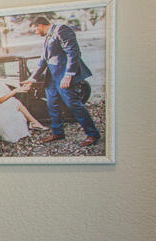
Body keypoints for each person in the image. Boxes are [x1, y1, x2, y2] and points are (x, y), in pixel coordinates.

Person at [27, 14, 101, 147]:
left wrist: (68, 75)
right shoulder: (48, 37)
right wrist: (32, 79)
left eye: (35, 29)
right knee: (52, 104)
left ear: (40, 25)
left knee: (73, 105)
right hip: (51, 77)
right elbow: (44, 60)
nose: (35, 32)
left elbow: (73, 52)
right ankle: (58, 132)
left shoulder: (61, 30)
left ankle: (93, 134)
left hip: (63, 76)